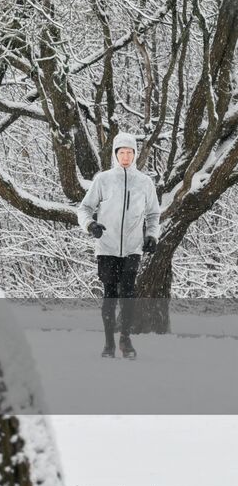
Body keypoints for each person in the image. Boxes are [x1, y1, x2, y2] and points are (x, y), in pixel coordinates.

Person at [76, 132, 161, 359]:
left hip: (133, 248)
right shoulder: (103, 180)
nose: (125, 156)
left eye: (129, 152)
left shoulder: (144, 182)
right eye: (121, 152)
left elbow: (153, 214)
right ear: (115, 154)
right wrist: (90, 225)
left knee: (129, 293)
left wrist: (152, 236)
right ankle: (108, 343)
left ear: (135, 155)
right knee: (110, 293)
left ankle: (125, 339)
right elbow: (83, 209)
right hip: (107, 247)